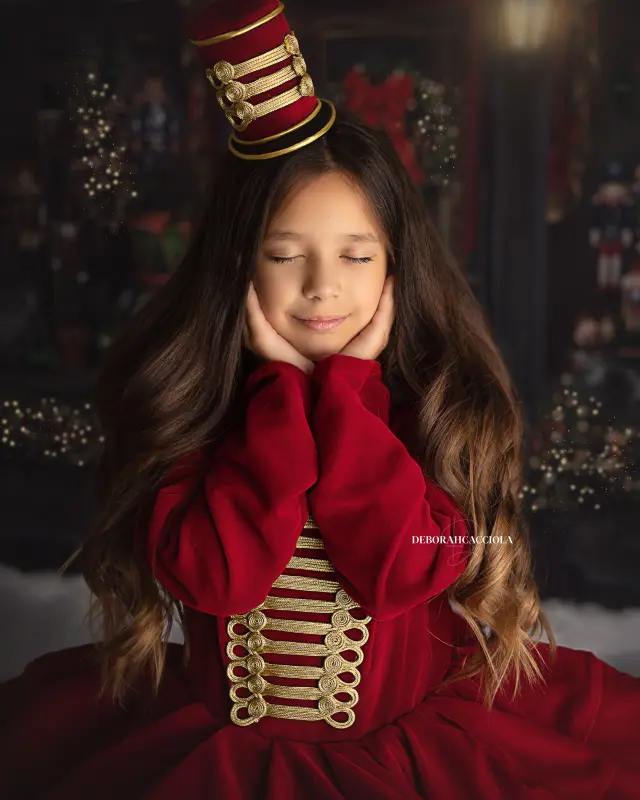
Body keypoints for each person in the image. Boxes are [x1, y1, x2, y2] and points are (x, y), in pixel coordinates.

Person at [2, 1, 639, 798]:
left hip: (406, 751)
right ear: (239, 265)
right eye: (285, 254)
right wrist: (275, 390)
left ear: (396, 266)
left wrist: (347, 391)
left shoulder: (441, 410)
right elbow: (221, 578)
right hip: (219, 756)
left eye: (355, 254)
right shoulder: (192, 410)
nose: (322, 287)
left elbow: (399, 571)